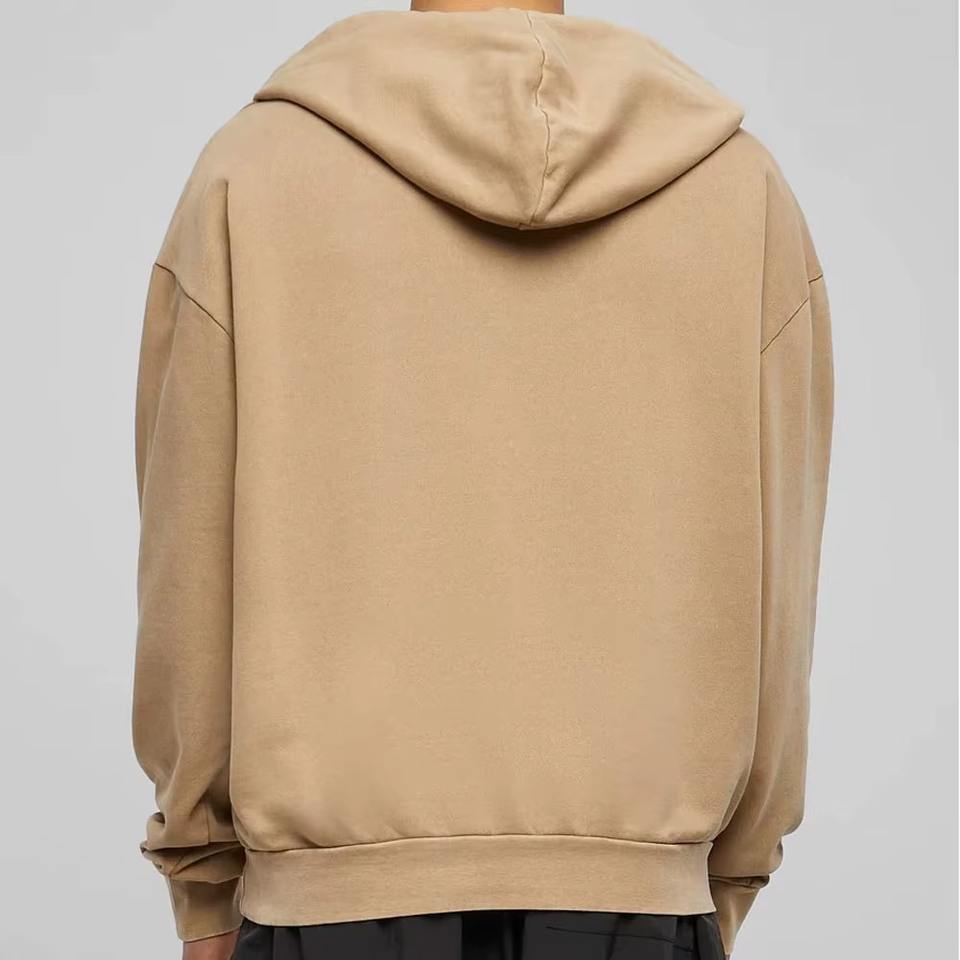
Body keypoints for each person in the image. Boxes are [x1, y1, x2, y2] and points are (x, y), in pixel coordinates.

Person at [132, 1, 833, 958]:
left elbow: (187, 561)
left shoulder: (251, 173)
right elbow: (780, 580)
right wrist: (721, 873)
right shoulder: (740, 192)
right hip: (640, 913)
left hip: (328, 918)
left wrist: (203, 882)